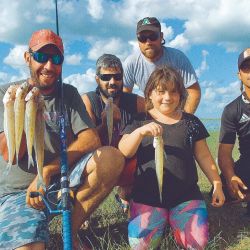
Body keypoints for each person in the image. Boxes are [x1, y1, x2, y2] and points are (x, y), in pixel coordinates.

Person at [0, 29, 124, 250]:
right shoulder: (8, 95)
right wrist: (29, 117)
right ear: (27, 57)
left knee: (111, 157)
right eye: (41, 57)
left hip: (58, 178)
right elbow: (10, 155)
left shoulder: (68, 93)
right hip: (19, 192)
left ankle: (71, 231)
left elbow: (91, 139)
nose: (49, 65)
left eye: (56, 59)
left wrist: (48, 170)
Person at [118, 65, 225, 250]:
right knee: (141, 246)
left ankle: (176, 221)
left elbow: (205, 157)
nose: (167, 97)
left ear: (181, 95)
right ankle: (161, 222)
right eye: (161, 91)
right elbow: (124, 150)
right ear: (149, 94)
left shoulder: (191, 122)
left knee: (197, 244)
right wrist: (140, 132)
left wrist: (217, 184)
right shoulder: (138, 120)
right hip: (146, 197)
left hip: (185, 196)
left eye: (173, 92)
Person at [82, 54, 145, 213]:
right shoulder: (88, 102)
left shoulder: (137, 102)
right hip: (98, 160)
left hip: (127, 160)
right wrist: (104, 125)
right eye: (106, 77)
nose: (112, 82)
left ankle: (127, 194)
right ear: (97, 79)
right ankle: (83, 208)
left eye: (117, 77)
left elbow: (159, 117)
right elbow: (85, 142)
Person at [123, 16, 201, 114]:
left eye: (153, 36)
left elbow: (193, 91)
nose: (148, 42)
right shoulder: (131, 63)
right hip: (150, 113)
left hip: (177, 112)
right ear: (138, 40)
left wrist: (184, 119)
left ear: (161, 36)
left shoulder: (177, 58)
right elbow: (125, 96)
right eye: (142, 38)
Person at [217, 48, 250, 215]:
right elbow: (224, 152)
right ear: (239, 74)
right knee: (222, 189)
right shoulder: (232, 110)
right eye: (247, 67)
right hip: (247, 162)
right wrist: (231, 177)